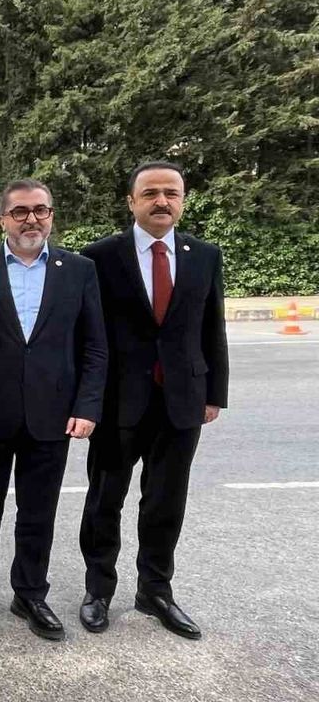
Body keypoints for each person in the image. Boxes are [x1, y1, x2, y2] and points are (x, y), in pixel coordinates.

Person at [0, 179, 108, 640]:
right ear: (3, 219)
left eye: (41, 210)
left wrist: (87, 406)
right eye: (20, 211)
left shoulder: (79, 271)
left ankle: (31, 593)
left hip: (53, 415)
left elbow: (95, 346)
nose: (31, 219)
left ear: (51, 216)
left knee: (38, 512)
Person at [78, 161, 228, 640]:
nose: (162, 201)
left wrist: (214, 394)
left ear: (182, 200)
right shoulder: (98, 257)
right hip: (118, 403)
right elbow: (86, 336)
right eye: (150, 193)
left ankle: (155, 590)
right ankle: (98, 589)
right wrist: (86, 400)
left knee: (166, 502)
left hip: (182, 402)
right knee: (105, 501)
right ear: (132, 201)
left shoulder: (204, 256)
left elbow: (212, 328)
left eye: (171, 193)